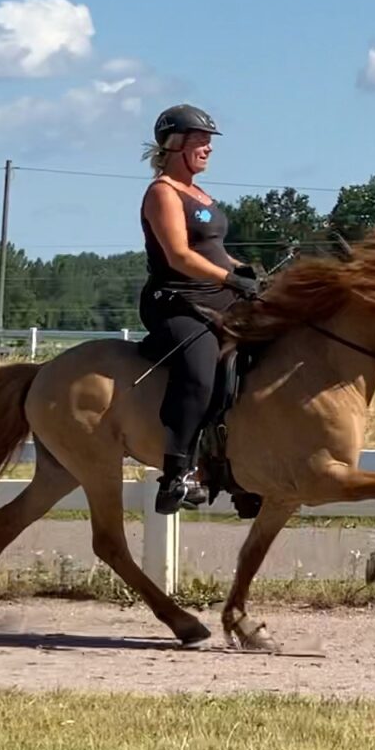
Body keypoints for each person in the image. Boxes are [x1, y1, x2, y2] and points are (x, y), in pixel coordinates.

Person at [138, 103, 262, 514]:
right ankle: (176, 474)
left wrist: (244, 272)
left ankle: (241, 466)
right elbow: (178, 256)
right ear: (175, 145)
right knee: (200, 367)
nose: (208, 148)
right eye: (200, 141)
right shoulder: (163, 193)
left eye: (209, 141)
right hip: (176, 301)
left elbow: (213, 252)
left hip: (216, 297)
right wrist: (229, 279)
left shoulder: (200, 195)